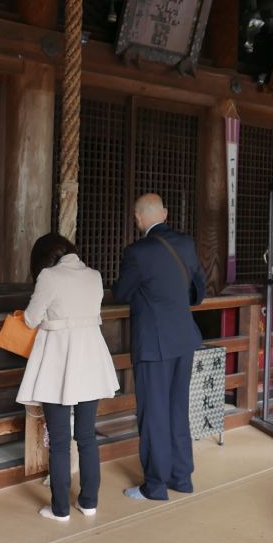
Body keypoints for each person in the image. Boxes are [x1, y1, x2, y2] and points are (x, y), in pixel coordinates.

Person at [15, 233, 119, 521]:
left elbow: (31, 318)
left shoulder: (49, 276)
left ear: (43, 258)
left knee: (60, 440)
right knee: (86, 436)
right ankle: (89, 502)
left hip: (59, 362)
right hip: (91, 360)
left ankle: (60, 508)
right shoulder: (95, 275)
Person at [113, 193, 208, 501]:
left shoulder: (138, 252)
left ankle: (154, 486)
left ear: (137, 218)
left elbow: (121, 293)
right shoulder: (186, 244)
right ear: (165, 213)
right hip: (184, 338)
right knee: (177, 409)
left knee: (153, 413)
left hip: (154, 344)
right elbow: (199, 292)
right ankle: (182, 478)